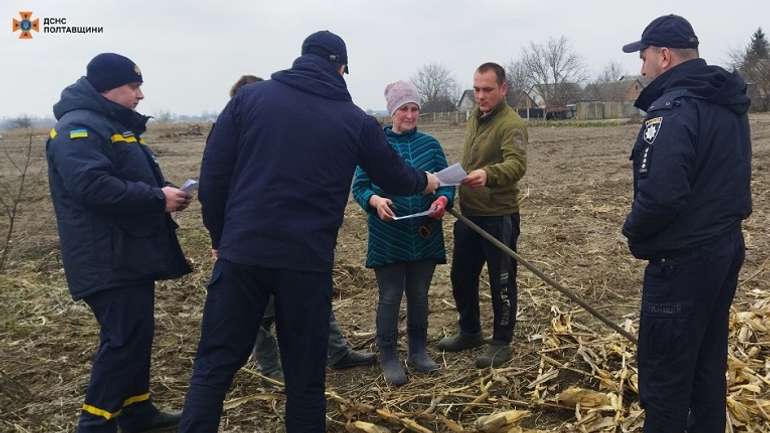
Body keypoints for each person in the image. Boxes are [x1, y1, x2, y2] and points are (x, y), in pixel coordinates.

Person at [180, 31, 439, 433]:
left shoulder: (248, 100)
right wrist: (426, 182)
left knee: (213, 366)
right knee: (305, 376)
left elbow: (213, 178)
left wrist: (220, 237)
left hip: (242, 254)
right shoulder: (353, 118)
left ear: (301, 58)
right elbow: (393, 175)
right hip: (305, 263)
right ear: (341, 68)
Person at [46, 53, 192, 433]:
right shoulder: (78, 128)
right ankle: (93, 423)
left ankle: (136, 410)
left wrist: (162, 197)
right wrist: (158, 198)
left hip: (128, 251)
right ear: (108, 88)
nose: (140, 95)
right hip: (105, 256)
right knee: (123, 336)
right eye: (133, 87)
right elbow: (91, 186)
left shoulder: (110, 125)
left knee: (137, 331)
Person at [621, 15, 752, 433]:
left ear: (663, 56)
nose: (641, 70)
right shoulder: (725, 102)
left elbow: (661, 194)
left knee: (666, 380)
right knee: (705, 367)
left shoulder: (674, 109)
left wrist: (634, 233)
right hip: (724, 248)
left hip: (682, 263)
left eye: (644, 58)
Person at [218, 74, 377, 383]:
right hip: (250, 243)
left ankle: (338, 352)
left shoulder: (274, 132)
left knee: (314, 298)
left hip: (292, 238)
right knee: (260, 313)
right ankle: (271, 367)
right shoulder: (235, 136)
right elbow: (221, 187)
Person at [351, 80, 454, 386]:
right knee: (391, 295)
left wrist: (443, 199)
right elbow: (360, 186)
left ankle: (418, 351)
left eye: (414, 109)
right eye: (403, 109)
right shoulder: (375, 146)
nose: (409, 115)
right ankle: (388, 356)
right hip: (388, 234)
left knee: (420, 294)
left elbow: (447, 181)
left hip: (424, 231)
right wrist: (375, 200)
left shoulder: (430, 146)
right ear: (392, 112)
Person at [437, 62, 527, 369]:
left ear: (503, 89)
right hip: (470, 214)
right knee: (461, 275)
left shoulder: (511, 124)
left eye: (487, 89)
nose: (480, 96)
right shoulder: (476, 118)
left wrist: (487, 175)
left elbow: (517, 165)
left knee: (501, 280)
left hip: (498, 215)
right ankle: (470, 331)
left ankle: (501, 342)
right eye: (476, 89)